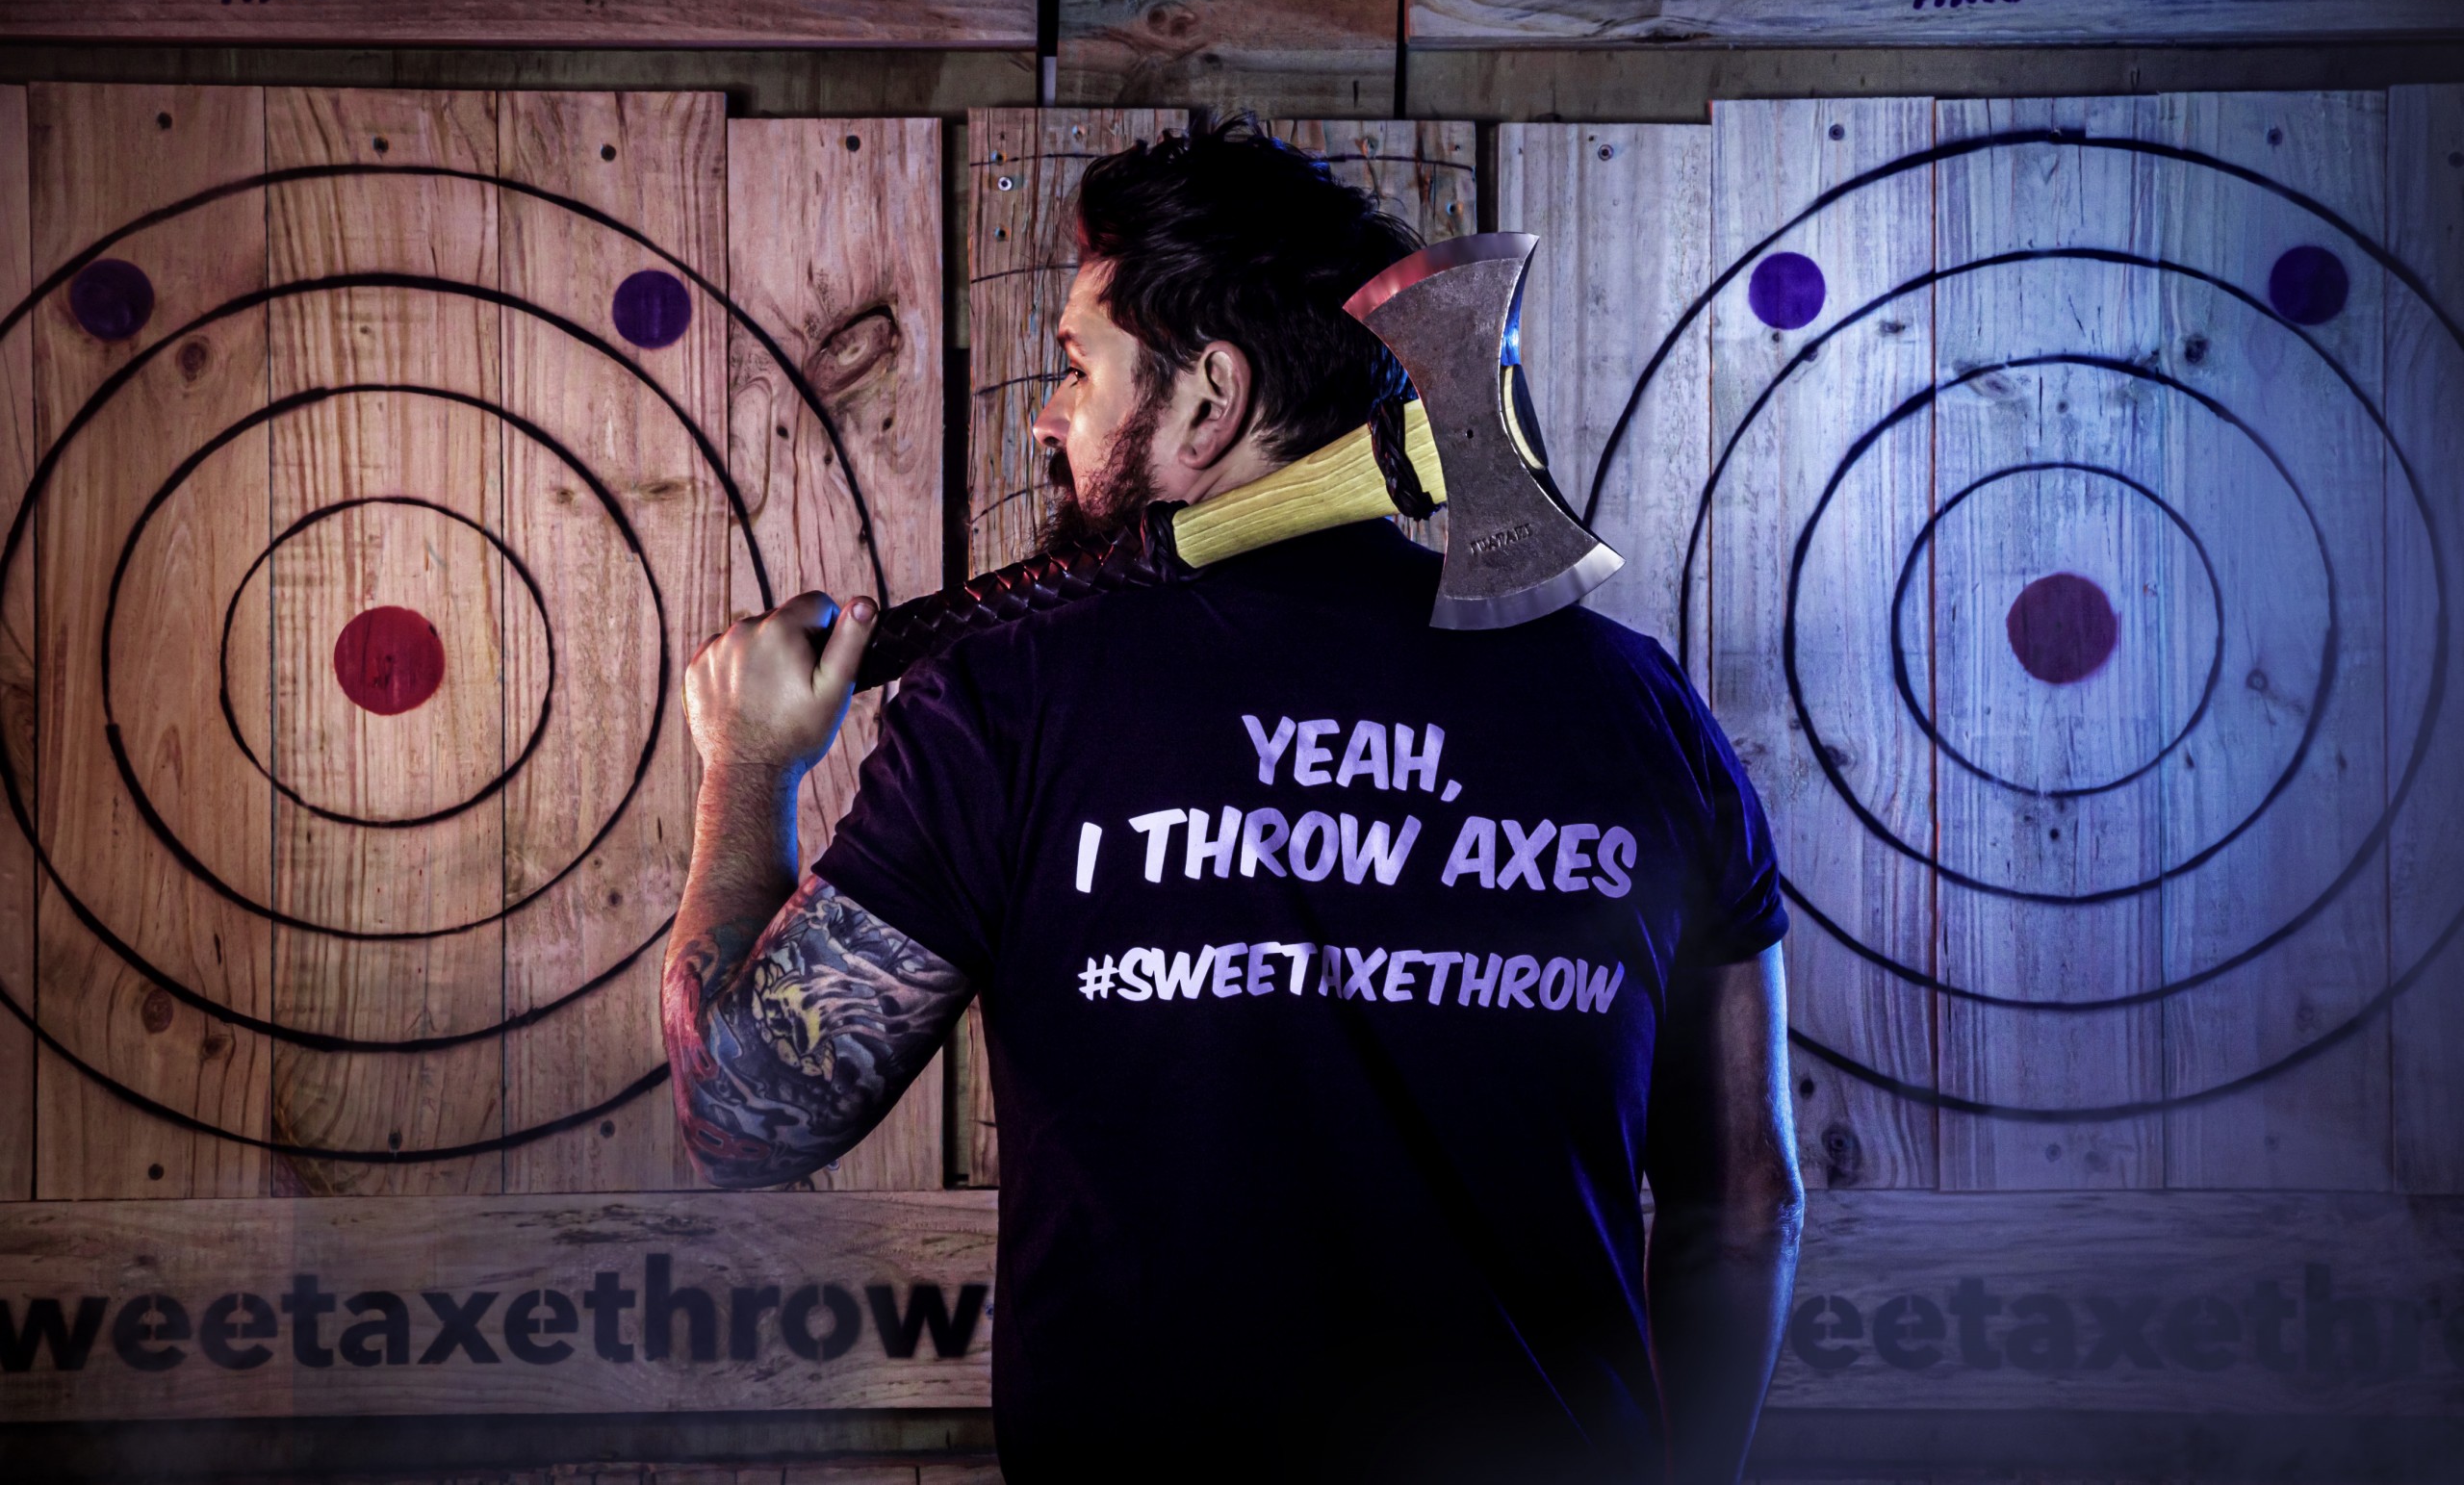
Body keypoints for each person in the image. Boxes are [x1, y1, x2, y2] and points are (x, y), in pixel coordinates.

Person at [660, 117, 1804, 1484]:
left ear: (1211, 397)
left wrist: (748, 762)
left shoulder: (1012, 702)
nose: (1047, 419)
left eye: (1077, 368)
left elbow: (745, 1112)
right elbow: (1746, 1207)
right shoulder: (1639, 711)